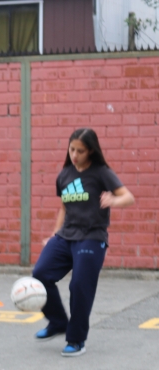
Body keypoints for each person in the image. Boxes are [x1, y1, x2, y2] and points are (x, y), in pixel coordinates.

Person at [32, 128, 134, 357]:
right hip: (66, 235)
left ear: (91, 151)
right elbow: (64, 207)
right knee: (40, 274)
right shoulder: (65, 174)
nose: (75, 154)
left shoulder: (101, 173)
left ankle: (76, 339)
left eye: (80, 151)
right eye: (72, 149)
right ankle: (58, 322)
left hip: (92, 237)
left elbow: (128, 197)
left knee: (79, 286)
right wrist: (54, 233)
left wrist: (113, 200)